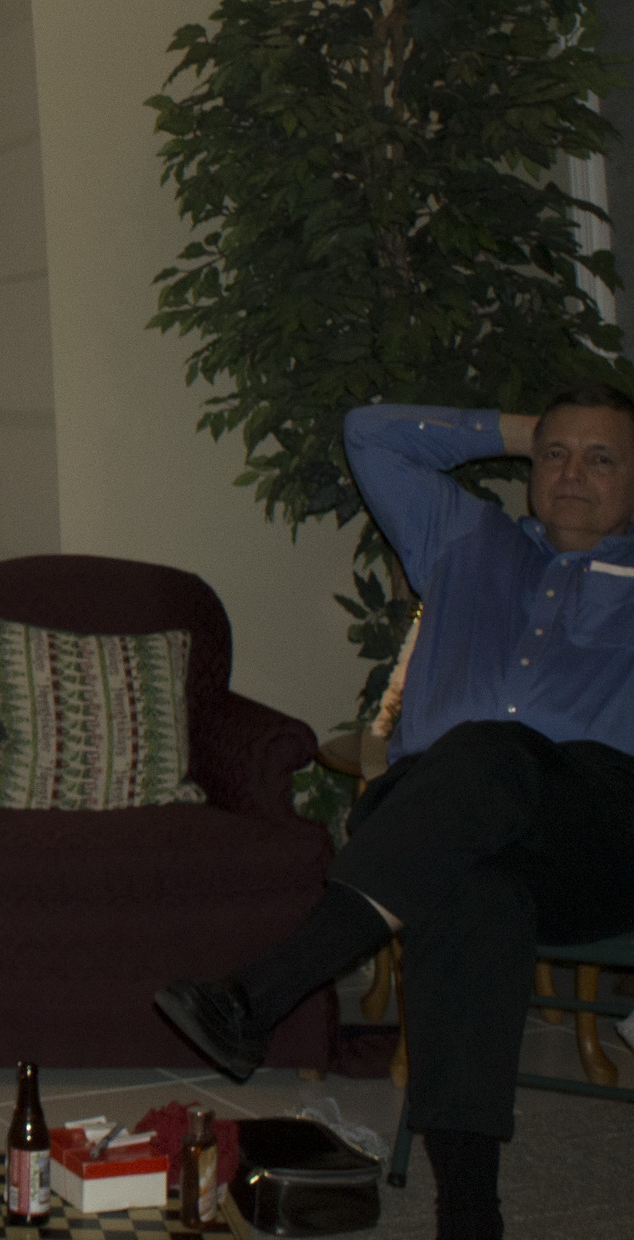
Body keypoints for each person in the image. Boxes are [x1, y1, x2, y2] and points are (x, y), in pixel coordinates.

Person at [157, 386, 634, 1240]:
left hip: (594, 829)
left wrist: (561, 436)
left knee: (495, 752)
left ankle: (264, 991)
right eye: (556, 455)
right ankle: (470, 1213)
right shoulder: (465, 537)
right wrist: (526, 430)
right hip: (443, 823)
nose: (572, 474)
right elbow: (369, 433)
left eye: (602, 458)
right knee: (471, 894)